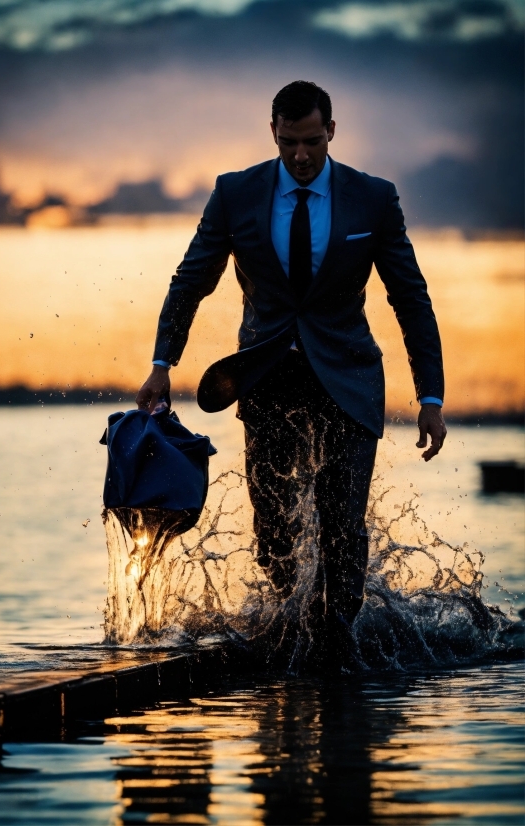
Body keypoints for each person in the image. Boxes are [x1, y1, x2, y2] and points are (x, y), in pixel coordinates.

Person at [136, 80, 446, 661]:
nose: (300, 156)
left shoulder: (373, 198)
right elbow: (190, 280)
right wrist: (161, 363)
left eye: (311, 141)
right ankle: (289, 624)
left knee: (341, 522)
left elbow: (411, 296)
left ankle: (337, 643)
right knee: (273, 522)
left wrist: (431, 395)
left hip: (348, 376)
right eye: (288, 143)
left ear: (331, 131)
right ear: (272, 133)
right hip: (266, 374)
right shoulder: (235, 194)